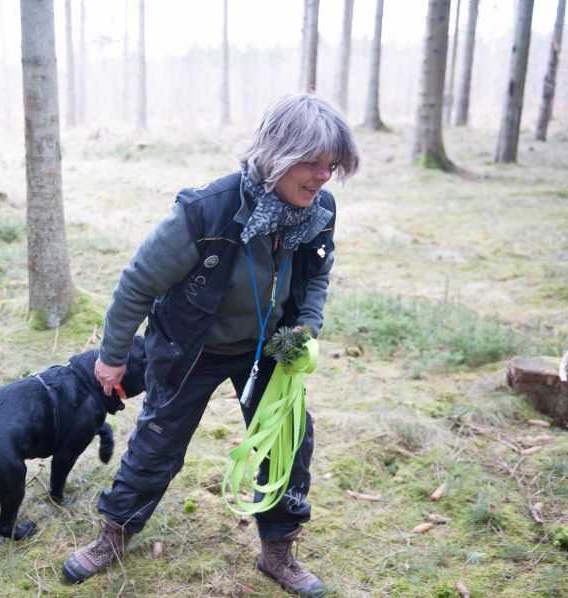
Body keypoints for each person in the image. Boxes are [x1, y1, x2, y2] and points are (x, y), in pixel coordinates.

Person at [62, 93, 359, 597]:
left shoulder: (318, 210)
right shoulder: (207, 212)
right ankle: (113, 537)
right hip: (190, 347)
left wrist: (306, 327)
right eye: (312, 162)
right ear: (275, 155)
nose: (323, 175)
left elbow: (317, 275)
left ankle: (278, 553)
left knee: (289, 442)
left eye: (331, 164)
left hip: (270, 349)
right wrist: (112, 357)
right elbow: (138, 283)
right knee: (158, 442)